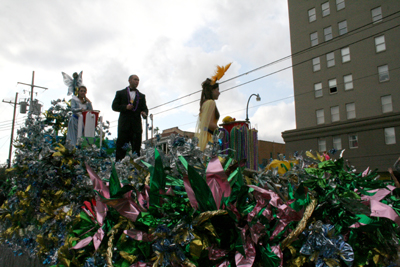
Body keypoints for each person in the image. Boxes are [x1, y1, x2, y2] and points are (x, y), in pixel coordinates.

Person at [195, 63, 231, 151]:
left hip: (203, 138)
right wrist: (223, 131)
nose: (219, 92)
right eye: (217, 90)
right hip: (209, 139)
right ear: (212, 90)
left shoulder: (205, 103)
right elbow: (209, 124)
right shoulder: (211, 103)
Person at [112, 74, 148, 161]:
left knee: (136, 150)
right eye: (135, 79)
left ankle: (137, 171)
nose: (137, 81)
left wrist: (144, 114)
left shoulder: (141, 96)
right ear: (129, 80)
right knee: (121, 150)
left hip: (136, 127)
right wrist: (125, 107)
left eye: (138, 80)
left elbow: (145, 108)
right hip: (124, 126)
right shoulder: (120, 93)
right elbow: (114, 106)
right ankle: (119, 168)